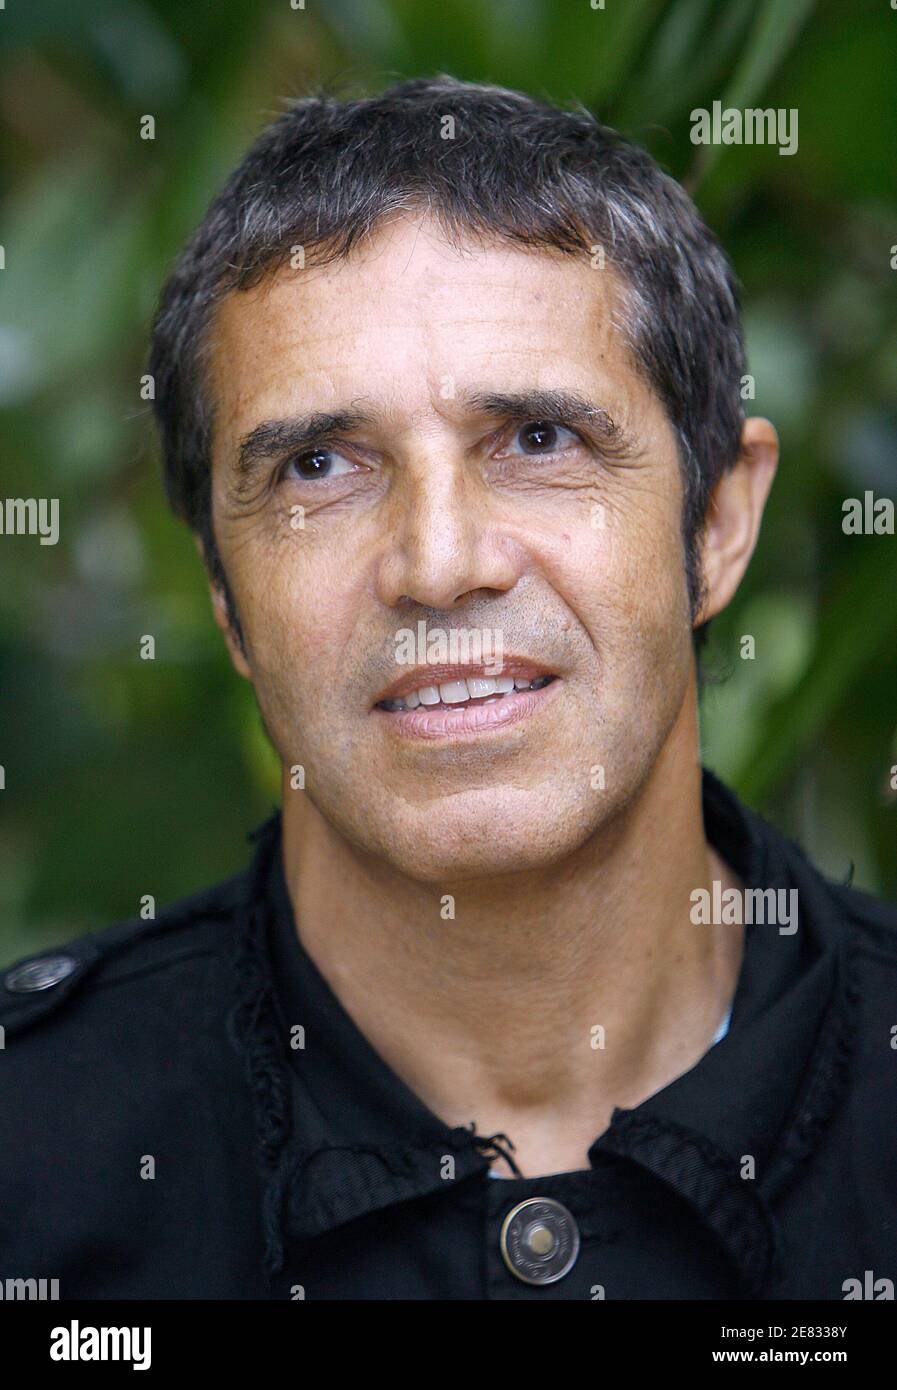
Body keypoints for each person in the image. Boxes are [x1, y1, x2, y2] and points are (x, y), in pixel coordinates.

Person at [2, 76, 894, 1302]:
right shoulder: (31, 1153)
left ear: (720, 521)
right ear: (224, 593)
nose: (439, 562)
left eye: (538, 440)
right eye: (319, 465)